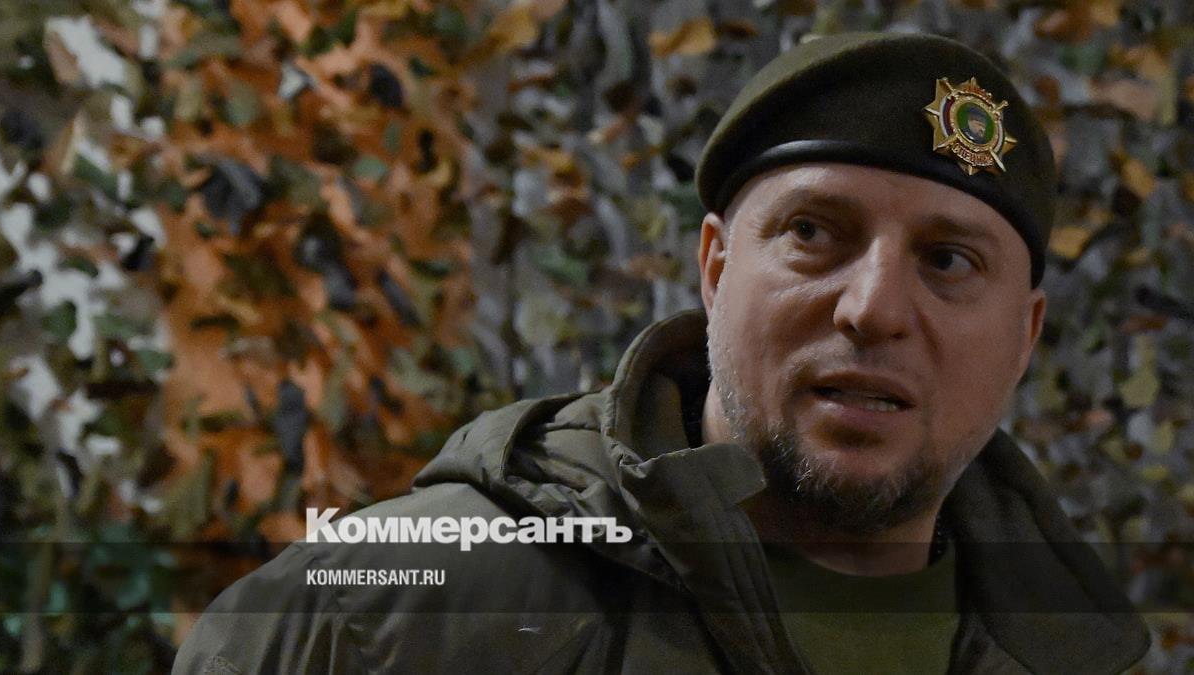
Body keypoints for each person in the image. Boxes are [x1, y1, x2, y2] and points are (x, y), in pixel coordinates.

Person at [173, 32, 1150, 674]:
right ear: (715, 267)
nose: (873, 308)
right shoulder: (381, 612)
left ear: (1024, 336)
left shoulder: (1073, 651)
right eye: (815, 233)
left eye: (948, 260)